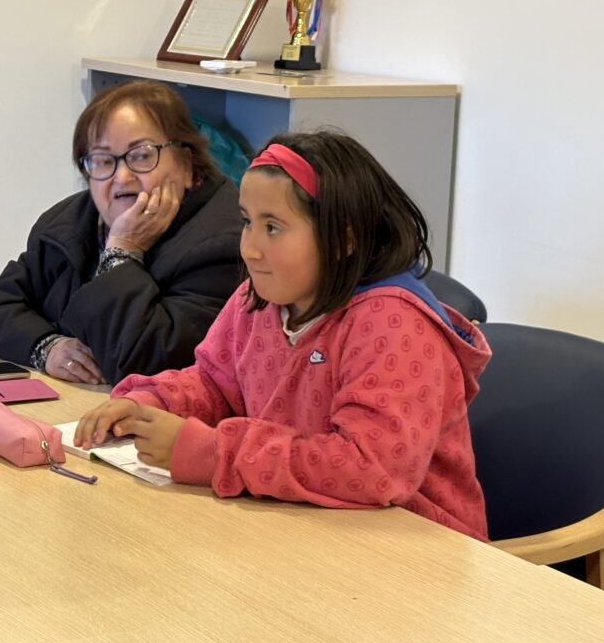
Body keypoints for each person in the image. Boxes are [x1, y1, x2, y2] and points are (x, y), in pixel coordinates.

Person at [75, 130, 491, 540]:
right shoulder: (256, 300)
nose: (250, 249)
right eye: (246, 222)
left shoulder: (393, 323)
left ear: (343, 238)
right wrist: (148, 404)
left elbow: (371, 469)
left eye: (272, 227)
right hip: (304, 530)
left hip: (414, 554)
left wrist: (213, 454)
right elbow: (215, 385)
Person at [0, 80, 242, 385]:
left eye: (141, 155)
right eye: (102, 160)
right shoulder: (69, 222)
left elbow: (140, 363)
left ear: (187, 166)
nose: (122, 177)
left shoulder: (222, 244)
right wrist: (47, 348)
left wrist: (123, 251)